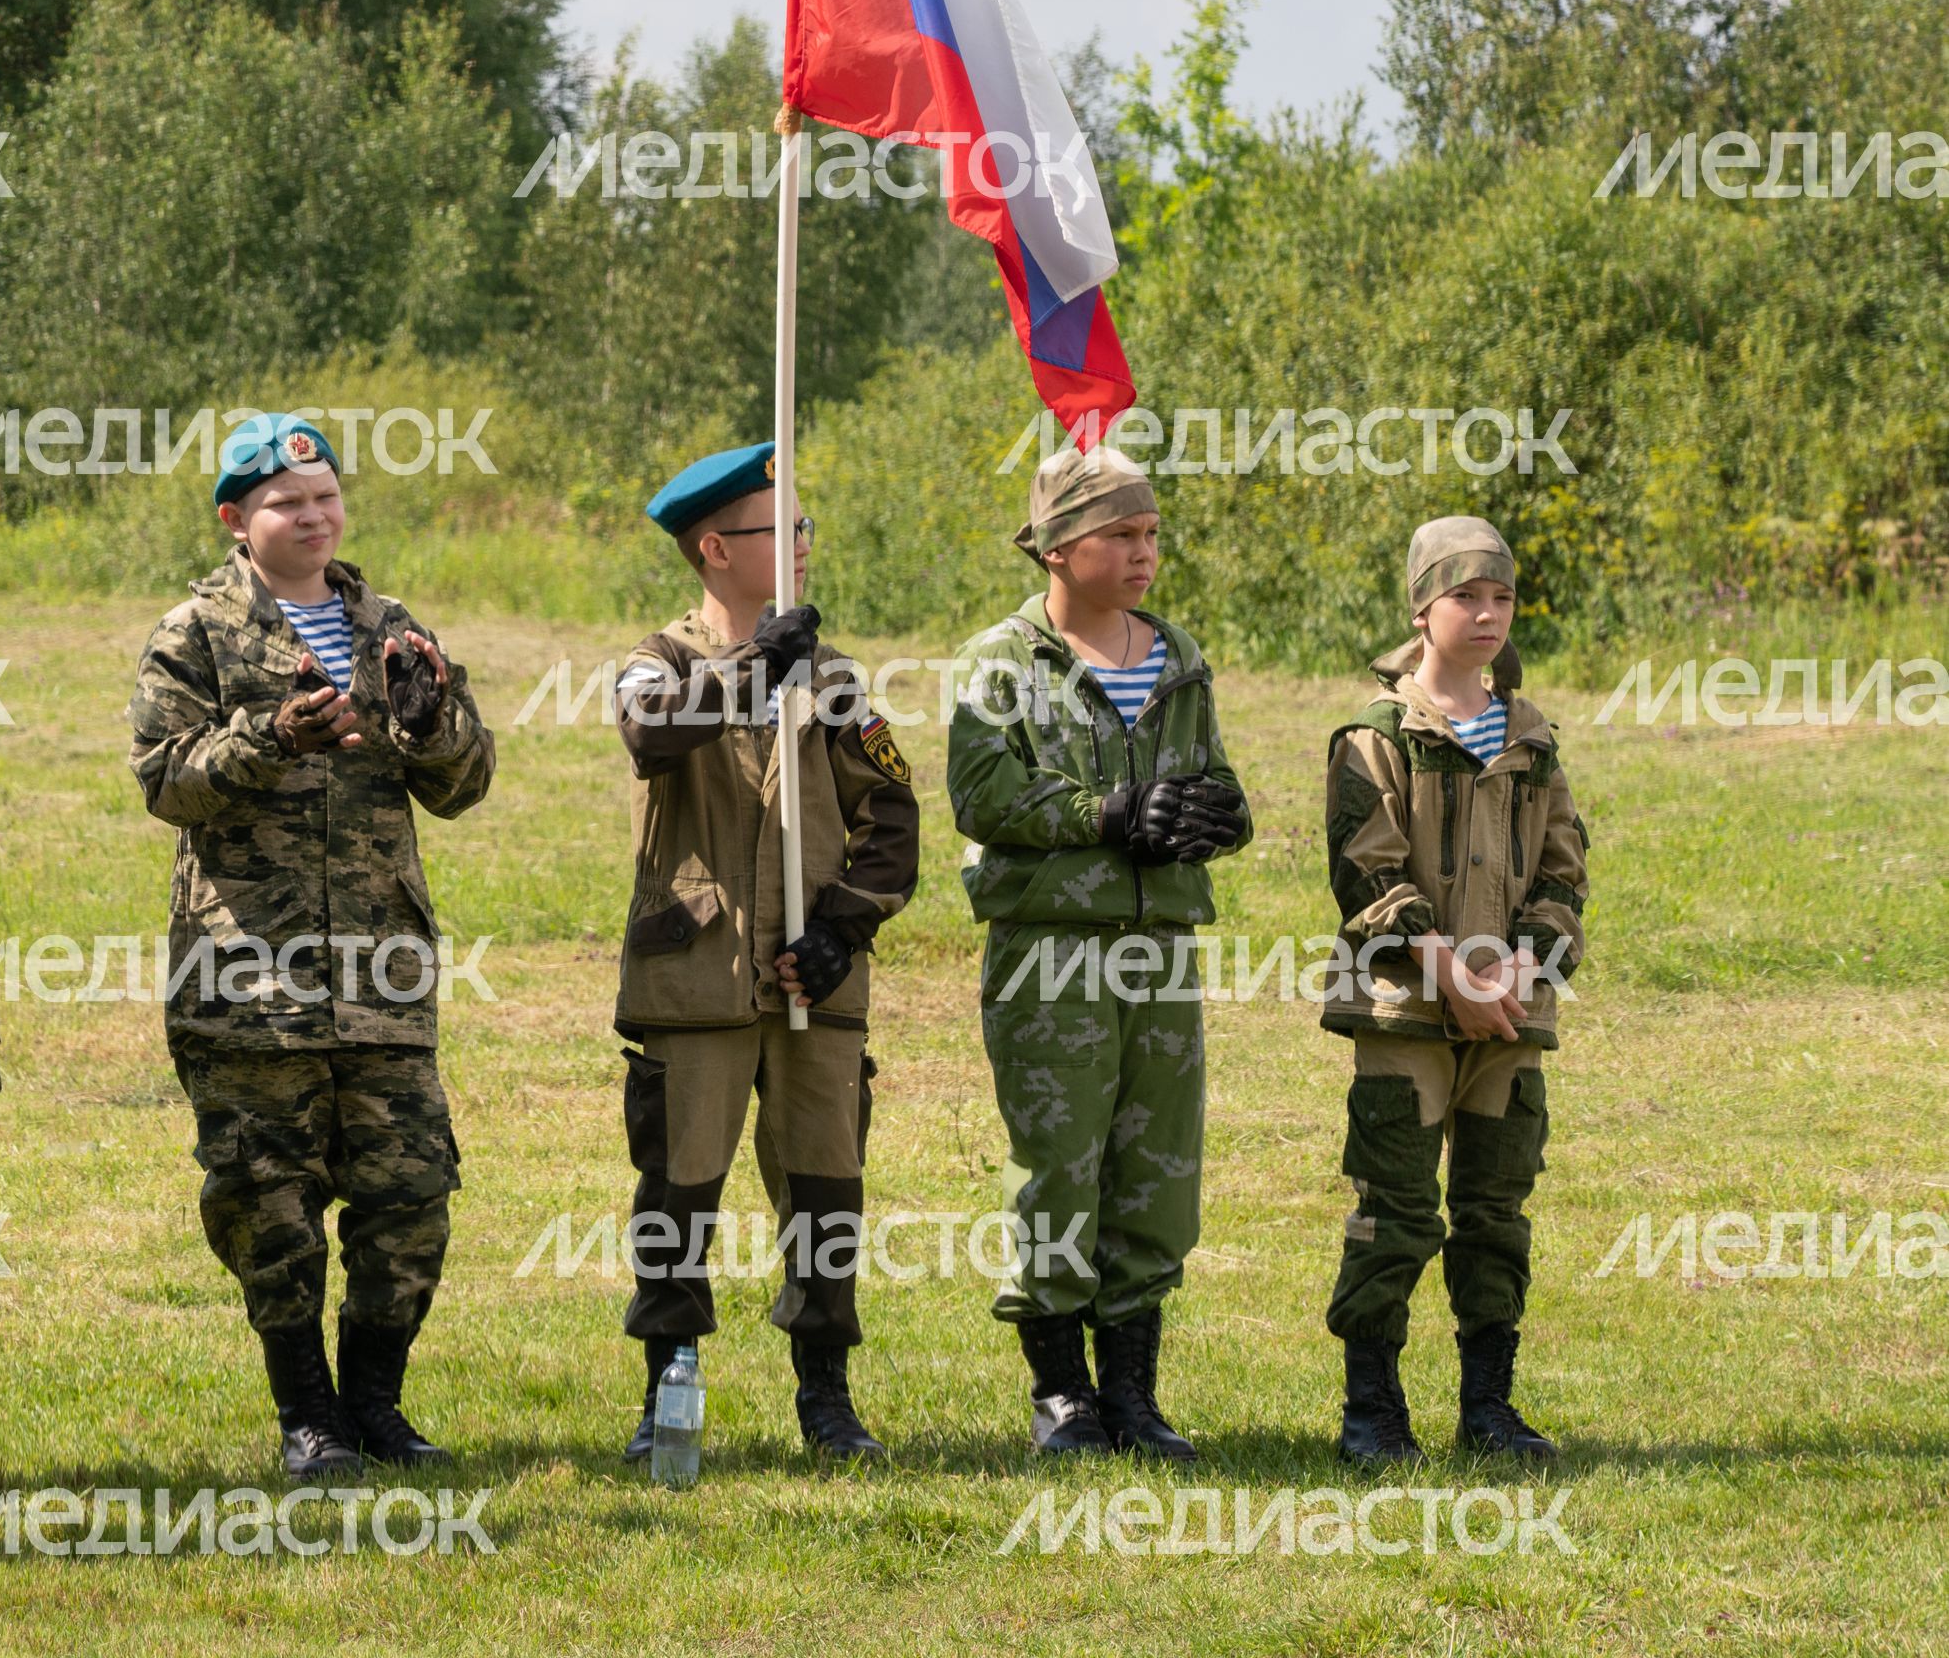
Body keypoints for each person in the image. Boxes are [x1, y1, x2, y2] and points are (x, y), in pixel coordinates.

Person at [128, 414, 494, 1477]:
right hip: (250, 980)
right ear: (237, 521)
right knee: (267, 1206)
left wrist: (432, 724)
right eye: (289, 503)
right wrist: (268, 738)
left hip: (382, 976)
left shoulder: (391, 625)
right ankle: (308, 1416)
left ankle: (376, 1404)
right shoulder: (193, 635)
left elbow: (465, 786)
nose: (314, 516)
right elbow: (165, 779)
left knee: (409, 1199)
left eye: (326, 497)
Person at [611, 443, 920, 1465]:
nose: (799, 545)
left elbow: (892, 816)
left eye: (801, 527)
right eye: (778, 530)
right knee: (677, 1193)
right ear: (715, 549)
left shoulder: (833, 680)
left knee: (825, 1189)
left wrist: (840, 928)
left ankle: (825, 1394)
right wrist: (755, 670)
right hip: (693, 979)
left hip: (808, 981)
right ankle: (669, 1387)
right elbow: (653, 735)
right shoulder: (660, 661)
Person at [945, 443, 1249, 1460]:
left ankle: (1133, 1393)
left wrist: (1215, 816)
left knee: (1155, 1172)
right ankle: (1061, 1396)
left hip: (1158, 952)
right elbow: (982, 794)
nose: (1142, 552)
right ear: (1060, 546)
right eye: (1121, 533)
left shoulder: (1178, 654)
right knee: (1058, 1165)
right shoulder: (1001, 662)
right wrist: (1104, 811)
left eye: (1151, 533)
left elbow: (1206, 770)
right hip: (1050, 953)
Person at [1321, 516, 1581, 1464]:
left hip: (1510, 1014)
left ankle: (1489, 1407)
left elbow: (1565, 870)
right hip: (1405, 1014)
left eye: (1501, 596)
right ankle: (1372, 1413)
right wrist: (1447, 972)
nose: (1486, 614)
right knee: (1392, 1211)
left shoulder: (1532, 736)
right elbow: (1366, 872)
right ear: (1423, 606)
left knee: (1496, 1211)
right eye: (1466, 596)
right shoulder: (1377, 735)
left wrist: (1522, 967)